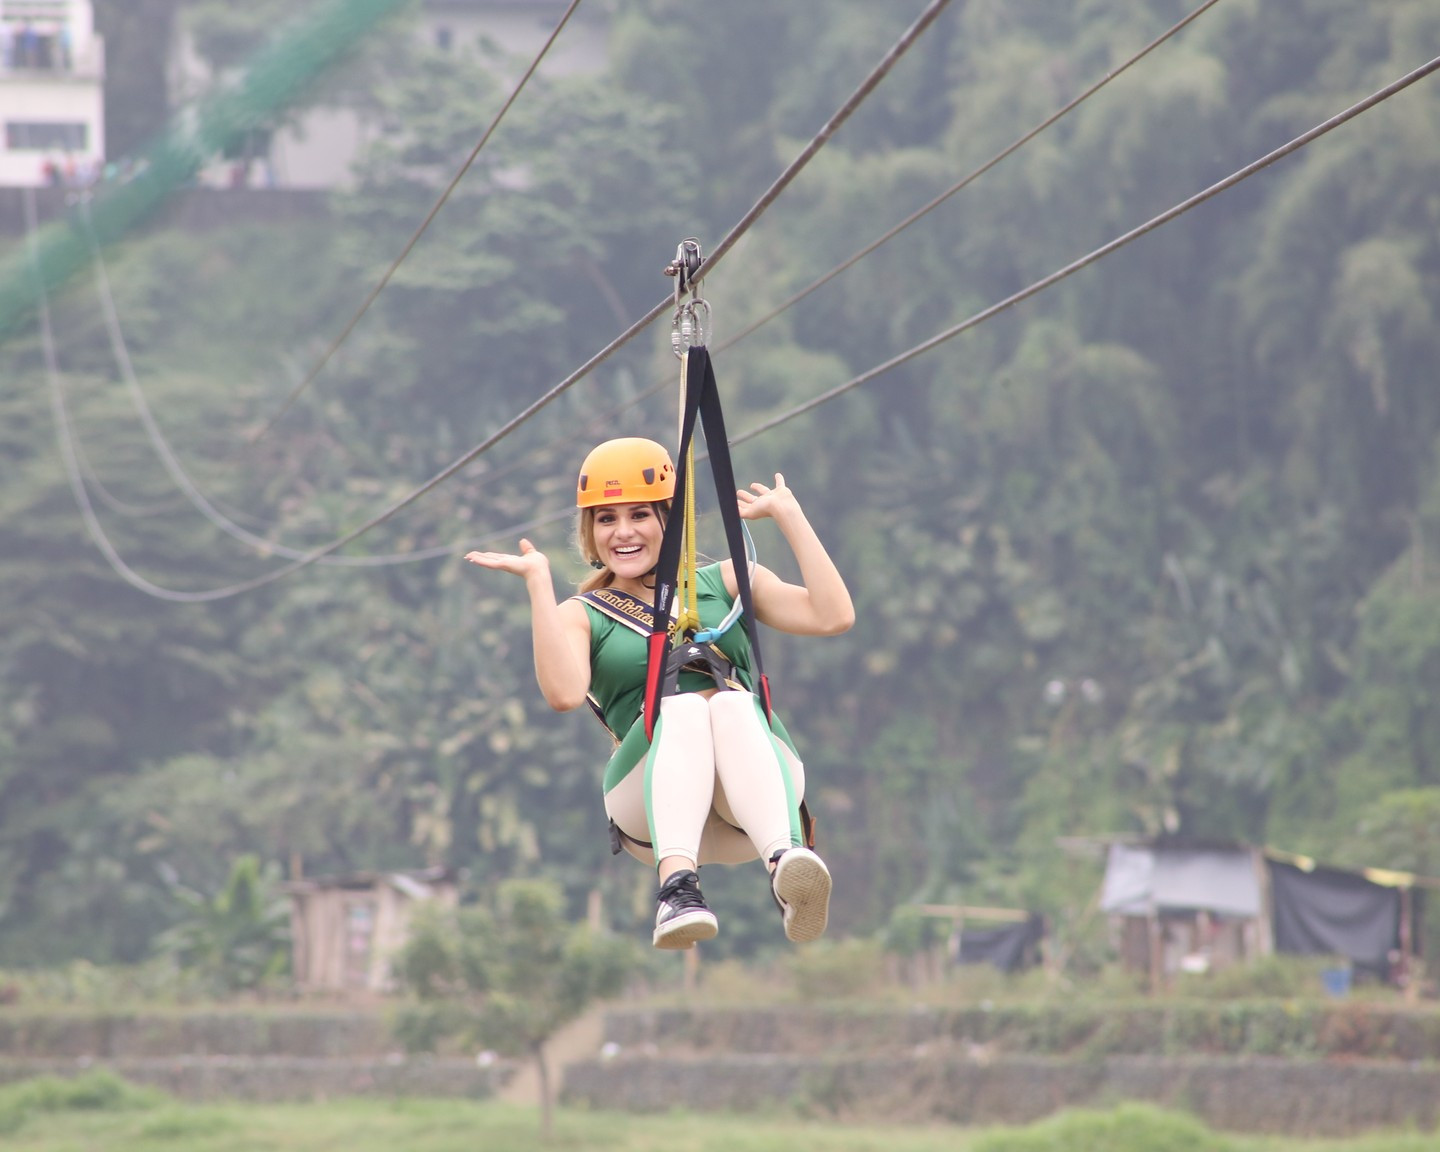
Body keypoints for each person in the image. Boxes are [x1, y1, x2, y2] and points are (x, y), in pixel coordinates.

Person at [466, 437, 854, 949]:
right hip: (652, 801)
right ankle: (677, 889)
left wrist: (789, 515)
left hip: (751, 801)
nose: (623, 532)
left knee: (734, 702)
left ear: (669, 520)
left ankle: (785, 863)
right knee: (687, 709)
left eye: (640, 515)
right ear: (590, 532)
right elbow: (563, 694)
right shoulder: (585, 613)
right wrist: (539, 584)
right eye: (606, 519)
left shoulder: (723, 582)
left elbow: (833, 615)